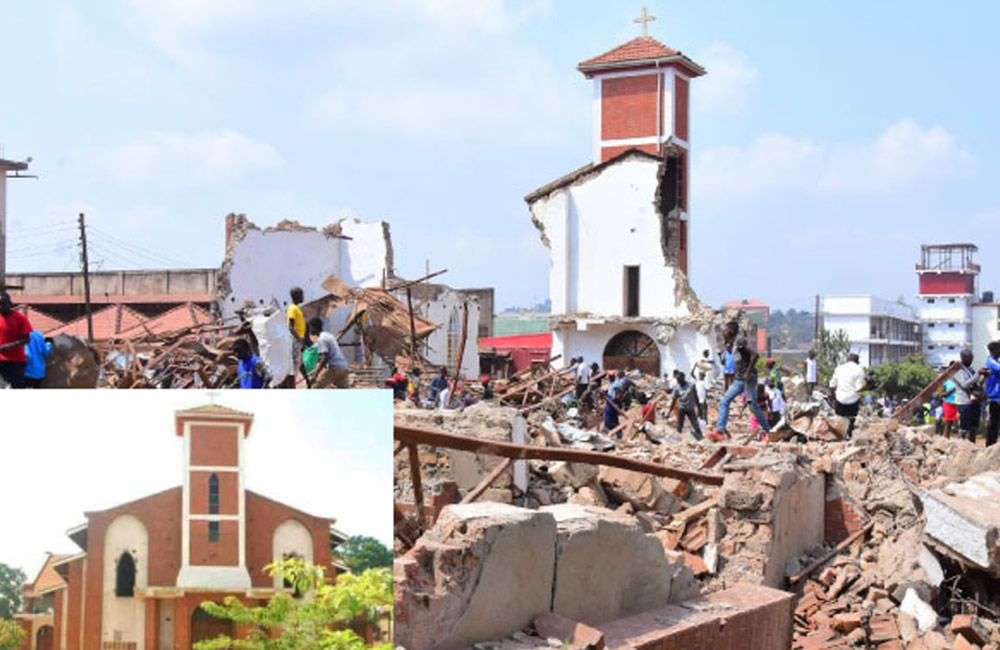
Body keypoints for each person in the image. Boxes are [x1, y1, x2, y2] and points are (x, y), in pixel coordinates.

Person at [709, 336, 770, 441]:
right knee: (724, 401)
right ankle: (720, 431)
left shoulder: (740, 346)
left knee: (753, 405)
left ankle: (768, 431)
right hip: (739, 380)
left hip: (749, 379)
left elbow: (755, 355)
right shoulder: (730, 351)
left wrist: (749, 372)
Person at [830, 353, 866, 439]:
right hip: (852, 401)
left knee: (839, 418)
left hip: (840, 399)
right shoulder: (859, 370)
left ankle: (838, 436)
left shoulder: (839, 369)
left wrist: (833, 398)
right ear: (857, 361)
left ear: (847, 360)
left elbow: (832, 385)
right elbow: (858, 388)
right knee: (851, 419)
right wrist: (867, 387)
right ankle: (849, 434)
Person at [0, 293, 32, 388]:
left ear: (10, 303)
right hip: (1, 360)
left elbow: (27, 339)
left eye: (3, 304)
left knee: (17, 387)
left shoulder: (20, 319)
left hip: (16, 361)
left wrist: (9, 346)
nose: (0, 307)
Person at [308, 317, 350, 388]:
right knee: (343, 391)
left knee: (316, 387)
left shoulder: (321, 339)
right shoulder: (329, 335)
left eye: (310, 328)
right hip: (344, 367)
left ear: (314, 327)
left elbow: (325, 357)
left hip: (335, 367)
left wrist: (316, 375)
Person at [953, 348, 983, 442]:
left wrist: (983, 377)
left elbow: (976, 384)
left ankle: (972, 448)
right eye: (969, 358)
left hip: (974, 402)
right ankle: (961, 447)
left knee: (973, 428)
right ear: (962, 358)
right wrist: (977, 375)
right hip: (965, 402)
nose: (970, 361)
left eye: (971, 358)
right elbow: (965, 384)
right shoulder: (958, 371)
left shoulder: (971, 370)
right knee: (964, 429)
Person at [669, 370, 703, 440]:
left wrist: (699, 408)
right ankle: (678, 439)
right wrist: (669, 411)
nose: (678, 382)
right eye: (677, 380)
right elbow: (673, 400)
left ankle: (700, 436)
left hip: (690, 408)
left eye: (680, 380)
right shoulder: (677, 388)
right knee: (679, 425)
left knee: (695, 423)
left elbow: (696, 396)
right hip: (681, 408)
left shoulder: (691, 385)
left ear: (683, 378)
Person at [286, 287, 309, 388]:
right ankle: (292, 387)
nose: (303, 297)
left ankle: (308, 382)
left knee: (300, 362)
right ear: (296, 296)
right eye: (302, 295)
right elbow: (290, 327)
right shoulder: (292, 309)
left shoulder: (296, 308)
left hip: (298, 340)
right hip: (295, 340)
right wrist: (299, 339)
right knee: (294, 366)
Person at [982, 341, 1000, 446]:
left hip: (998, 397)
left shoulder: (996, 361)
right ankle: (990, 445)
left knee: (996, 423)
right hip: (994, 397)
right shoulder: (991, 362)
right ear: (994, 350)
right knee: (993, 423)